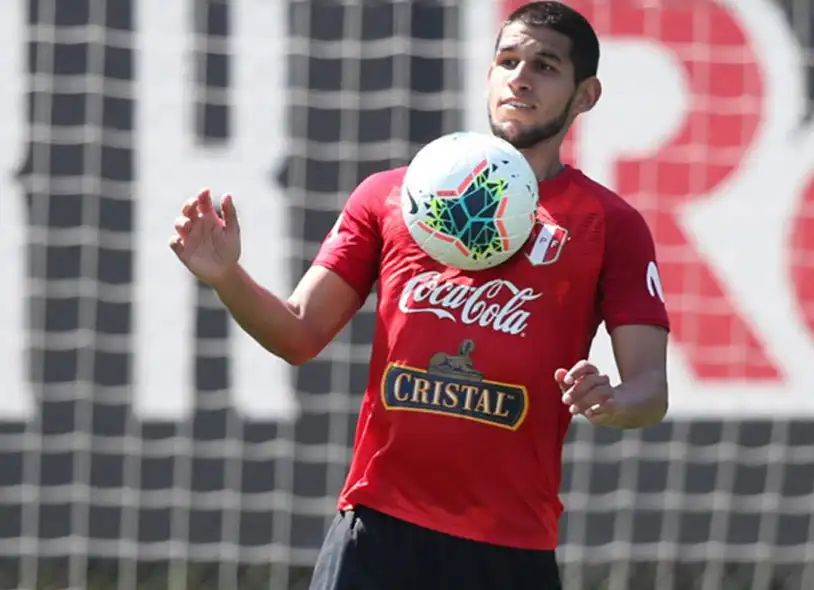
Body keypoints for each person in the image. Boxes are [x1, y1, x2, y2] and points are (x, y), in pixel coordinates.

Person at [169, 2, 670, 588]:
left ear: (585, 96)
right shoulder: (389, 196)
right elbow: (298, 334)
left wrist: (613, 401)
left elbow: (650, 390)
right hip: (377, 532)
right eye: (507, 60)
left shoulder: (610, 224)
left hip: (510, 545)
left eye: (545, 65)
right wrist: (228, 276)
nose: (520, 78)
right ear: (488, 75)